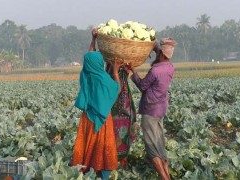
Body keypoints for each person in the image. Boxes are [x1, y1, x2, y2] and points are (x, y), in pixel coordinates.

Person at [71, 28, 123, 180]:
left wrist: (93, 39)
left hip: (87, 118)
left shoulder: (86, 75)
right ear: (100, 63)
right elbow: (117, 90)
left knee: (87, 144)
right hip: (102, 120)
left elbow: (90, 57)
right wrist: (115, 71)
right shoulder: (103, 78)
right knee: (103, 146)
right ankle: (103, 174)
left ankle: (85, 171)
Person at [124, 37, 177, 180]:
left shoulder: (155, 70)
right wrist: (155, 45)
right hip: (161, 109)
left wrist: (132, 71)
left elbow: (142, 86)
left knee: (151, 146)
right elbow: (161, 52)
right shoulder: (170, 67)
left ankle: (164, 178)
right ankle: (167, 177)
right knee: (160, 142)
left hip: (150, 110)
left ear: (161, 54)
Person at [106, 63, 137, 167]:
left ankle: (121, 161)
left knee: (122, 133)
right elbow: (116, 90)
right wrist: (115, 72)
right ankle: (113, 162)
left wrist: (124, 72)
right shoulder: (111, 71)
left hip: (123, 109)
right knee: (116, 134)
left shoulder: (117, 71)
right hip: (116, 109)